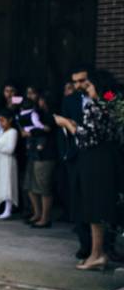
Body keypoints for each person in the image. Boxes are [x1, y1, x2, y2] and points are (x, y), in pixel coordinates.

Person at [54, 73, 119, 270]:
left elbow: (86, 139)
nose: (86, 89)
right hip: (107, 159)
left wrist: (67, 125)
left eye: (89, 85)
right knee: (100, 204)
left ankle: (97, 254)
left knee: (92, 206)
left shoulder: (94, 105)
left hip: (92, 160)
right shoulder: (111, 106)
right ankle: (99, 252)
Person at [60, 67, 92, 259]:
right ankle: (85, 244)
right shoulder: (69, 100)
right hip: (76, 156)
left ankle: (106, 245)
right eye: (75, 82)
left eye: (82, 81)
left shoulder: (106, 93)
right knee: (78, 199)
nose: (79, 85)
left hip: (99, 156)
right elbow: (63, 127)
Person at [21, 89, 57, 228]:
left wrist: (30, 131)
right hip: (32, 152)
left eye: (42, 99)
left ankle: (45, 217)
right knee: (30, 185)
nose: (39, 101)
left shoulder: (52, 115)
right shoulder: (36, 113)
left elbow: (47, 130)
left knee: (43, 187)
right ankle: (37, 213)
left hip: (46, 154)